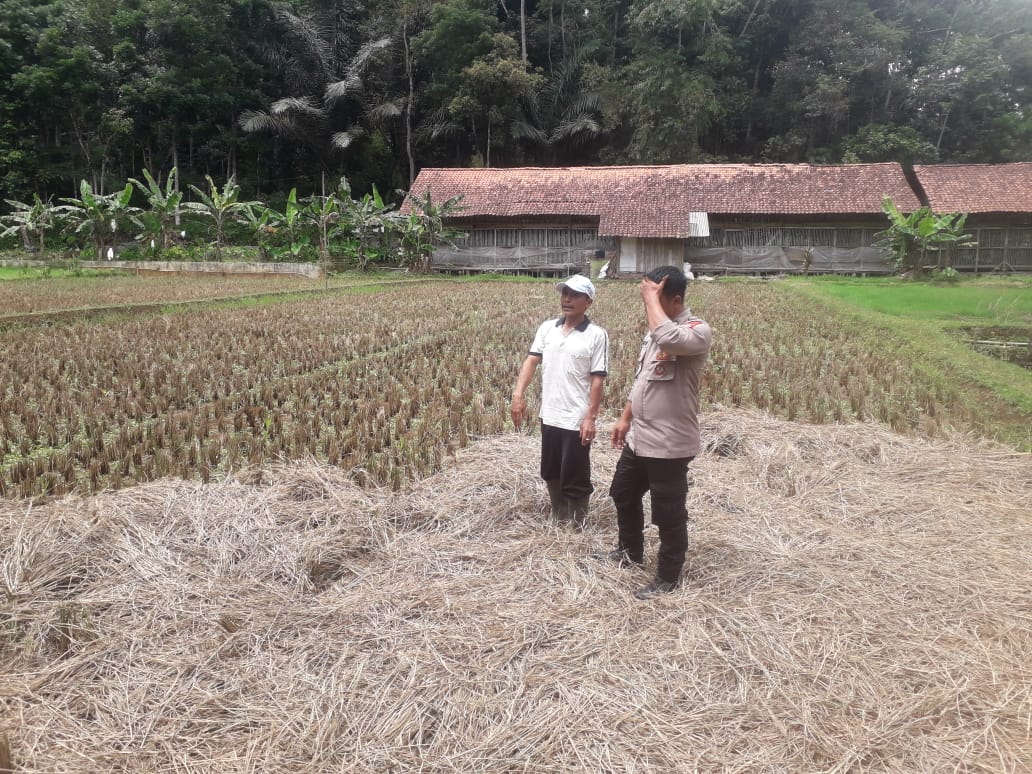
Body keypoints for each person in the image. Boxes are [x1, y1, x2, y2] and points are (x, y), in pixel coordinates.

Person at [598, 265, 712, 600]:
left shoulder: (696, 331)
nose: (648, 306)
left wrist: (650, 298)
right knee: (623, 493)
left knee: (668, 514)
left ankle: (667, 577)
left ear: (675, 300)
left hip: (669, 444)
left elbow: (669, 338)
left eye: (655, 299)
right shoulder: (655, 333)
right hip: (640, 438)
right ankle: (629, 552)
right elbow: (643, 380)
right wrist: (624, 419)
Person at [511, 274, 609, 528]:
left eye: (574, 295)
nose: (567, 299)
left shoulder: (596, 335)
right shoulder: (547, 329)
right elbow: (531, 361)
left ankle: (577, 523)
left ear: (588, 302)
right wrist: (518, 395)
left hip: (576, 418)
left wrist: (590, 418)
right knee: (551, 469)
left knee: (576, 473)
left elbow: (597, 379)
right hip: (550, 414)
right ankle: (559, 515)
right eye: (565, 293)